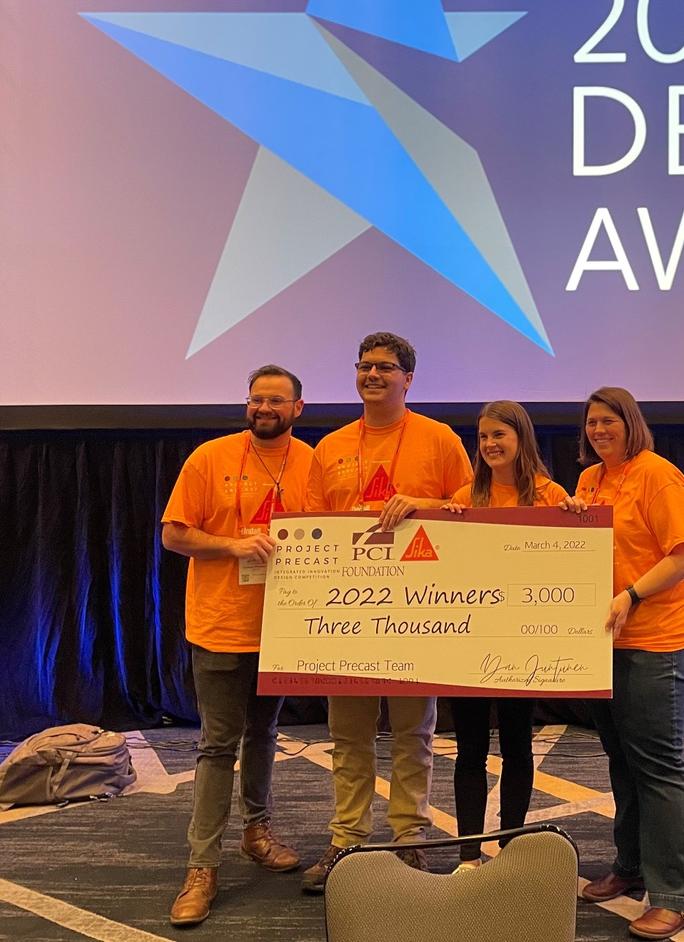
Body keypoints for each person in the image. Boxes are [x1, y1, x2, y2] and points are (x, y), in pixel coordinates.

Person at [301, 332, 472, 892]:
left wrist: (419, 505)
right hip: (345, 615)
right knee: (347, 734)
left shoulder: (439, 439)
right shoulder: (329, 447)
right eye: (364, 366)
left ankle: (409, 840)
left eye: (386, 367)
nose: (373, 375)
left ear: (409, 379)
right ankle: (347, 839)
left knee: (412, 732)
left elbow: (471, 505)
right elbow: (307, 522)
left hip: (414, 614)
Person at [160, 364, 312, 927]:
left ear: (299, 407)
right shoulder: (209, 457)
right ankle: (202, 867)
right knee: (217, 746)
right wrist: (233, 546)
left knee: (265, 733)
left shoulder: (314, 462)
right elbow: (173, 534)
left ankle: (257, 831)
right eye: (255, 399)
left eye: (276, 400)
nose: (264, 408)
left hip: (285, 627)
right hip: (221, 625)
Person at [563, 387, 684, 940]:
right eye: (592, 423)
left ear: (632, 424)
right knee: (623, 761)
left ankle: (680, 896)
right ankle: (631, 867)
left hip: (655, 639)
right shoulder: (590, 480)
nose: (599, 431)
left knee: (660, 766)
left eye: (610, 421)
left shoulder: (658, 475)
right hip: (604, 640)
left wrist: (632, 595)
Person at [441, 401, 569, 872]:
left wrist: (577, 516)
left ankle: (512, 846)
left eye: (500, 435)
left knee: (518, 747)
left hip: (524, 645)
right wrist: (445, 519)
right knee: (469, 748)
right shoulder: (464, 495)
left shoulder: (553, 495)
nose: (490, 445)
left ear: (522, 439)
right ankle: (469, 854)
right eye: (483, 437)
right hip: (471, 645)